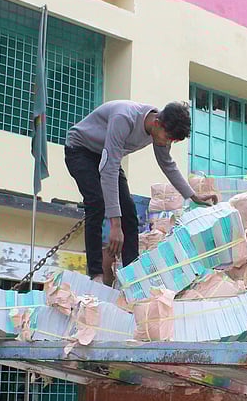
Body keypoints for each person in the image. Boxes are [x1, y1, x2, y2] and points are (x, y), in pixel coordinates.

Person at [64, 100, 218, 281]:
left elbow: (167, 164)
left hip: (108, 156)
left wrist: (193, 196)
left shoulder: (161, 130)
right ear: (157, 123)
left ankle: (132, 277)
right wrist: (115, 225)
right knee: (96, 203)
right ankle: (96, 273)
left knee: (129, 213)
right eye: (168, 138)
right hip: (80, 149)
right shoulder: (124, 118)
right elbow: (109, 169)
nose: (168, 143)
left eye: (173, 141)